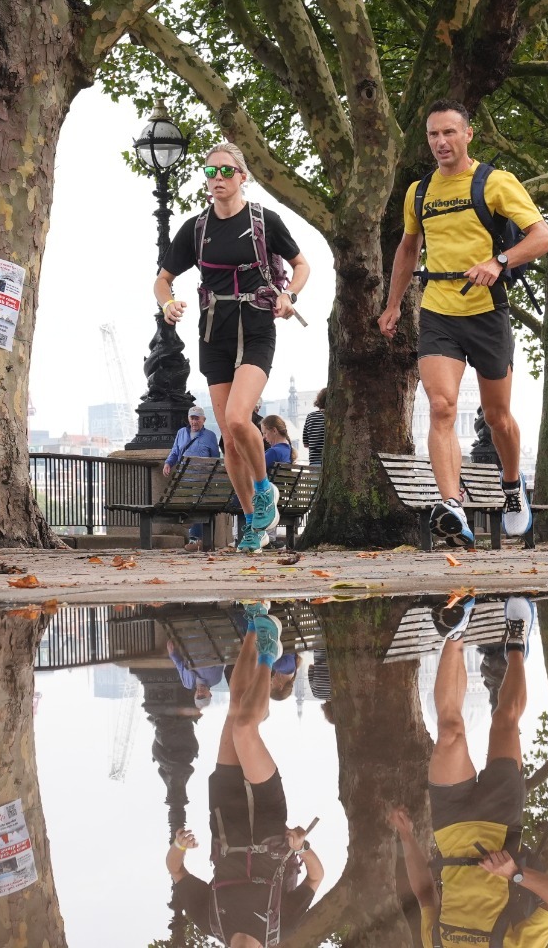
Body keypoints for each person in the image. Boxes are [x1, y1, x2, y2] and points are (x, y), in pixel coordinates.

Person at [378, 100, 548, 548]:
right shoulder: (419, 192)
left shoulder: (495, 182)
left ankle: (512, 488)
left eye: (449, 133)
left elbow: (543, 237)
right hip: (438, 308)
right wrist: (394, 304)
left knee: (497, 417)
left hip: (488, 310)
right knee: (441, 406)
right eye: (434, 134)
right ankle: (452, 504)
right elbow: (407, 249)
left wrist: (499, 261)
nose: (441, 142)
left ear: (468, 134)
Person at [156, 143, 311, 554]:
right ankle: (254, 522)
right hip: (214, 332)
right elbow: (162, 278)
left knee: (240, 418)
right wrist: (167, 303)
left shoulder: (264, 220)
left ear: (243, 176)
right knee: (227, 434)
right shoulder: (196, 229)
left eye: (226, 171)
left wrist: (289, 295)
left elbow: (302, 266)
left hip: (257, 327)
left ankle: (264, 494)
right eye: (210, 173)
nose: (218, 178)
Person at [391, 596, 548, 946]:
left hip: (450, 827)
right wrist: (514, 874)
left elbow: (426, 894)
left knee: (448, 734)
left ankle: (455, 631)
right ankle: (516, 642)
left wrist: (407, 837)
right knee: (504, 722)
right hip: (499, 826)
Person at [168, 604, 324, 946]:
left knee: (236, 706)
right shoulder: (280, 929)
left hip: (224, 809)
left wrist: (180, 845)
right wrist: (304, 845)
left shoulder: (210, 923)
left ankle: (257, 622)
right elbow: (315, 878)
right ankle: (268, 653)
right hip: (268, 815)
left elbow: (176, 870)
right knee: (243, 728)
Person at [166, 406, 224, 550]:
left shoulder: (210, 436)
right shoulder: (181, 433)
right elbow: (175, 451)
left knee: (198, 506)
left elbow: (215, 458)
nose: (194, 421)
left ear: (203, 420)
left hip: (202, 480)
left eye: (197, 418)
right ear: (188, 419)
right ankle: (195, 537)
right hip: (184, 478)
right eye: (192, 418)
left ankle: (195, 539)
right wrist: (168, 463)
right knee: (189, 506)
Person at [301, 389, 327, 466]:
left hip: (314, 462)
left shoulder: (310, 416)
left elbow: (306, 444)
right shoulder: (334, 417)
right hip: (331, 463)